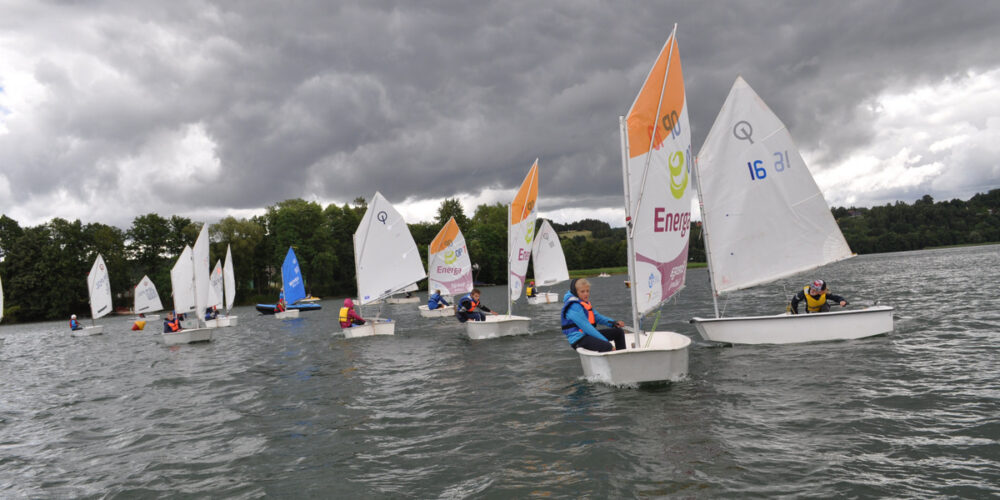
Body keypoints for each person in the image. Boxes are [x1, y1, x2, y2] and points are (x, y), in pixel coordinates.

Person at [560, 278, 626, 352]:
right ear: (576, 292)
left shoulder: (584, 303)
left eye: (587, 291)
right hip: (579, 339)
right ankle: (612, 360)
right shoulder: (573, 306)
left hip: (587, 335)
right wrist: (607, 342)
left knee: (618, 332)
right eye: (582, 291)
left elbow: (597, 317)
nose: (586, 294)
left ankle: (621, 357)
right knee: (607, 346)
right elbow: (587, 327)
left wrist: (613, 323)